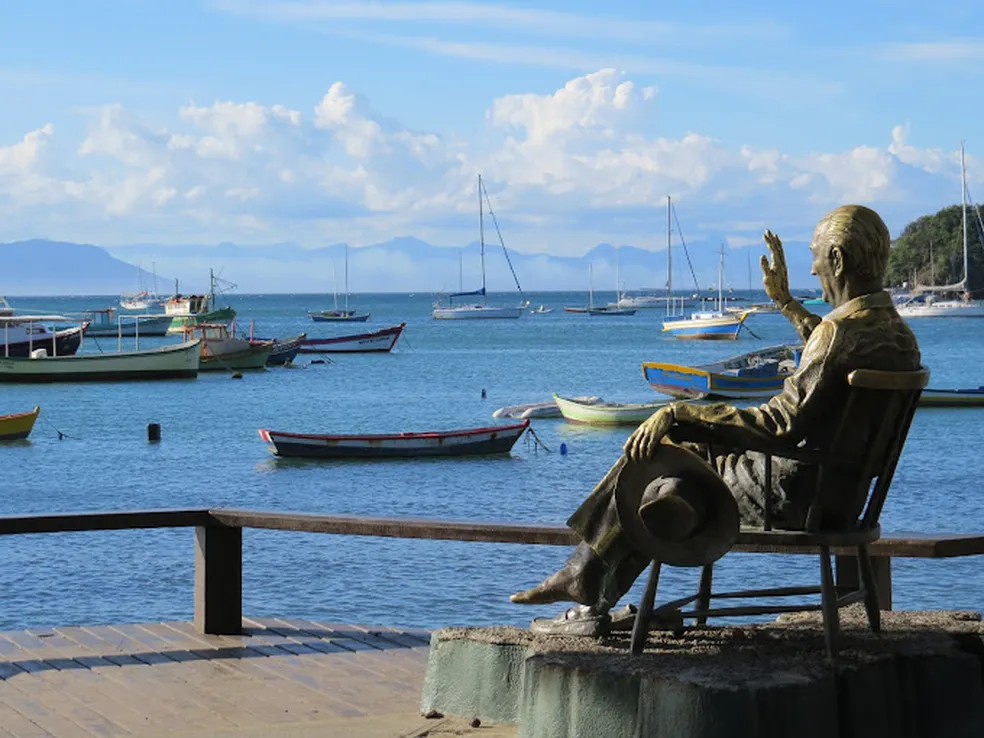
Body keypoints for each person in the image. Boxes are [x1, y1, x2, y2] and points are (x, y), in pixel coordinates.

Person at [511, 205, 922, 636]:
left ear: (838, 259)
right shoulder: (895, 334)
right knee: (670, 484)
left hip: (790, 497)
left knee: (656, 468)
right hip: (845, 499)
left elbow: (780, 425)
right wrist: (785, 303)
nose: (814, 269)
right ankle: (589, 585)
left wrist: (679, 411)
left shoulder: (838, 334)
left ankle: (585, 581)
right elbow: (833, 355)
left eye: (816, 257)